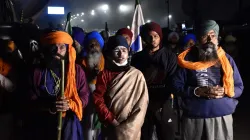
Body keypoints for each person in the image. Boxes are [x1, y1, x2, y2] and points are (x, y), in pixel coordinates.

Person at [172, 20, 244, 140]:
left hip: (222, 115)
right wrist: (196, 91)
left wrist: (225, 90)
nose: (210, 40)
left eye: (213, 35)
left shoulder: (227, 59)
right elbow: (175, 85)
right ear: (198, 39)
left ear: (217, 38)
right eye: (205, 36)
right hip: (194, 117)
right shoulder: (187, 59)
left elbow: (239, 87)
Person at [24, 30, 89, 140]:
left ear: (68, 50)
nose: (57, 51)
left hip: (69, 125)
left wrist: (70, 104)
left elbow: (85, 96)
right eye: (54, 47)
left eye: (62, 47)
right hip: (43, 124)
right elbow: (29, 98)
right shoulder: (37, 72)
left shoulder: (77, 71)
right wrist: (50, 106)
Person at [93, 35, 148, 140]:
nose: (121, 54)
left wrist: (131, 124)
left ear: (128, 52)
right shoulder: (104, 74)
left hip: (132, 127)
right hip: (111, 124)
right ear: (110, 54)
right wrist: (110, 119)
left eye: (124, 50)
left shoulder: (137, 75)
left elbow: (142, 103)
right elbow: (98, 99)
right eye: (116, 50)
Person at [131, 22, 177, 140]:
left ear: (160, 37)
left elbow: (172, 80)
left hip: (163, 102)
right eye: (149, 36)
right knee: (145, 134)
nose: (153, 39)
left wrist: (161, 100)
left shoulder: (170, 56)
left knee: (166, 134)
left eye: (156, 36)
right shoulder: (138, 58)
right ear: (145, 38)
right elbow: (135, 82)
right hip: (143, 103)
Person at [80, 31, 105, 140]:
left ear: (100, 46)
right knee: (88, 120)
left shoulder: (106, 61)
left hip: (102, 93)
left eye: (96, 44)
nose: (94, 46)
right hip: (86, 93)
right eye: (91, 44)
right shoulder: (81, 62)